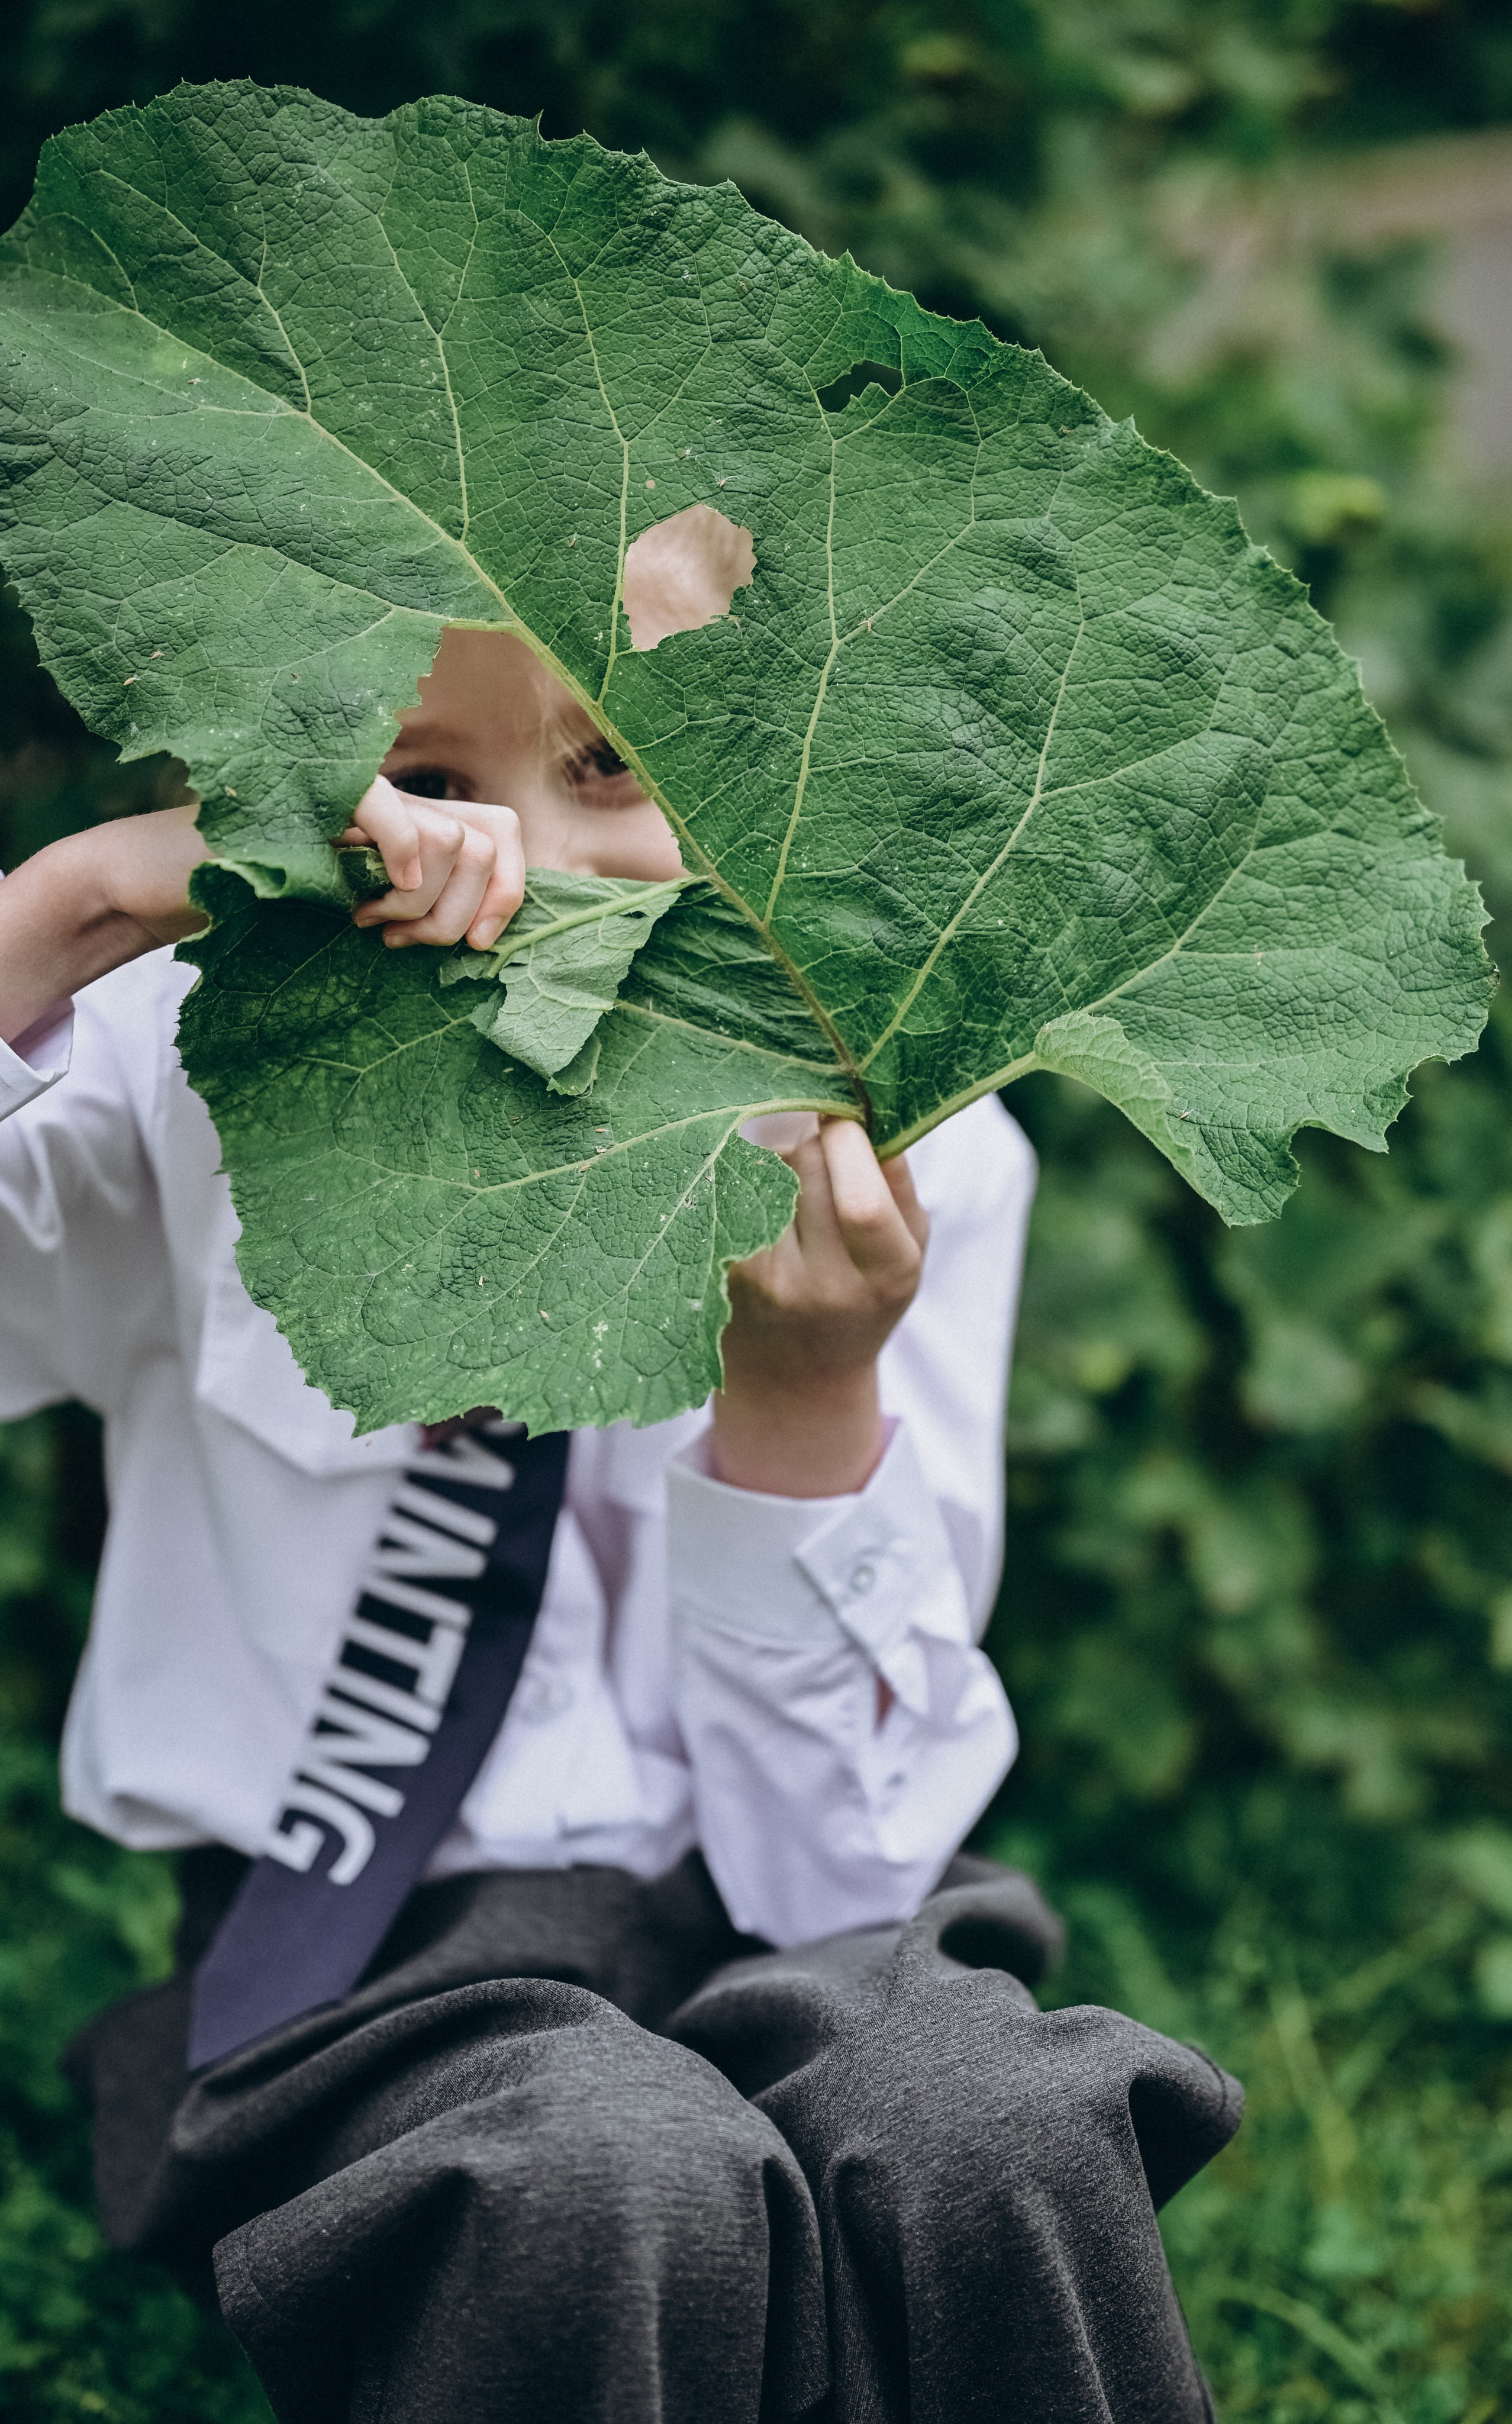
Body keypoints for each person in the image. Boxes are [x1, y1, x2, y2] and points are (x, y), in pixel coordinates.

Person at [0, 512, 1240, 2423]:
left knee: (991, 2121)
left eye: (615, 764)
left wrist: (807, 1386)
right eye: (418, 775)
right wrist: (85, 898)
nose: (532, 862)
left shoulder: (909, 1146)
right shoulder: (181, 1066)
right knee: (597, 2174)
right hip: (372, 1932)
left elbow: (850, 1848)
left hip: (795, 1899)